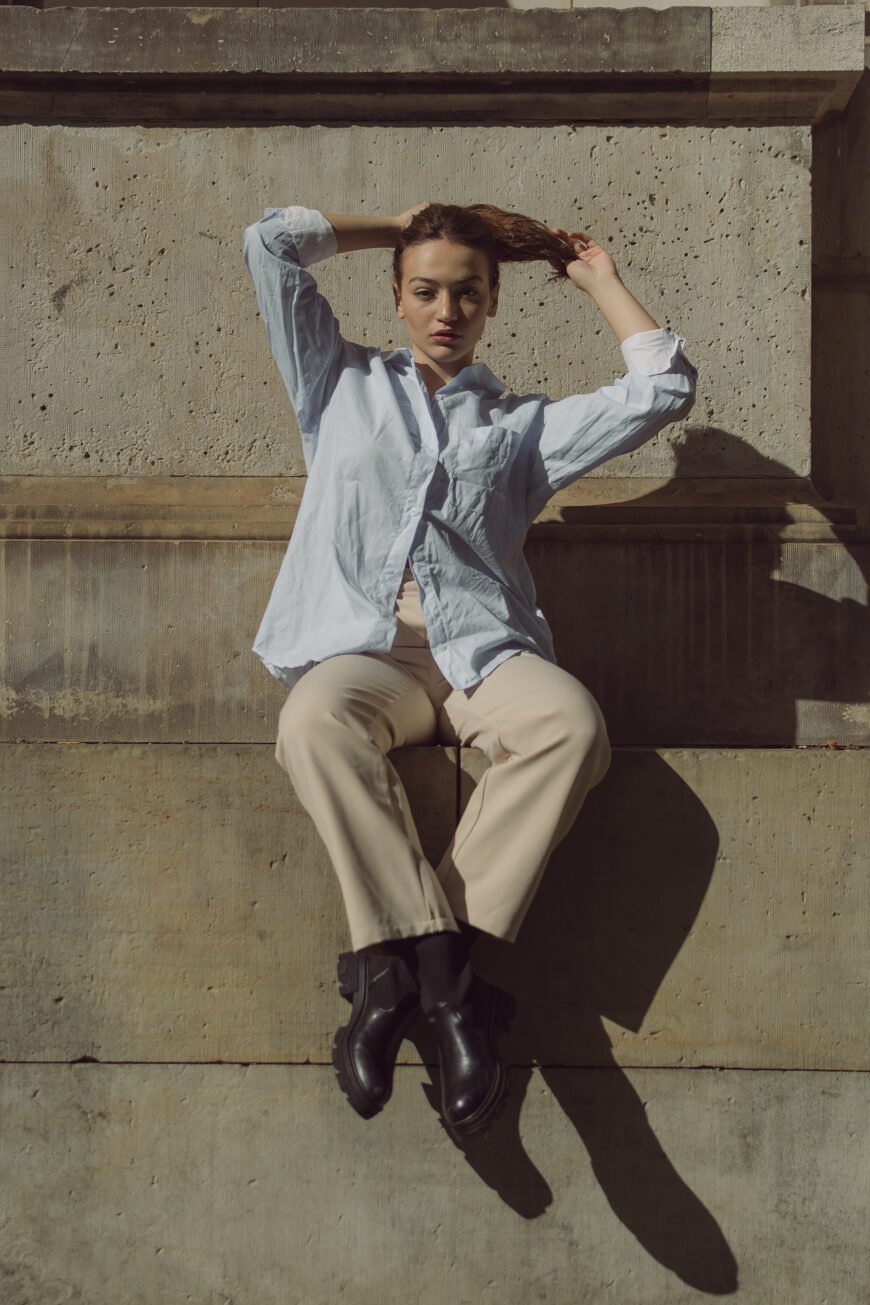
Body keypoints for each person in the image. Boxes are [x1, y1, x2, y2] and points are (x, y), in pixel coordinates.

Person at [242, 199, 698, 1140]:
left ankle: (397, 978)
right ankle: (455, 991)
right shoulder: (337, 381)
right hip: (369, 654)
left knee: (570, 725)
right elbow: (271, 244)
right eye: (426, 289)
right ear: (399, 296)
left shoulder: (522, 427)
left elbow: (662, 388)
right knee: (311, 721)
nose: (446, 308)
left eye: (467, 293)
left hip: (482, 654)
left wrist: (598, 278)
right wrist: (398, 219)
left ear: (492, 304)